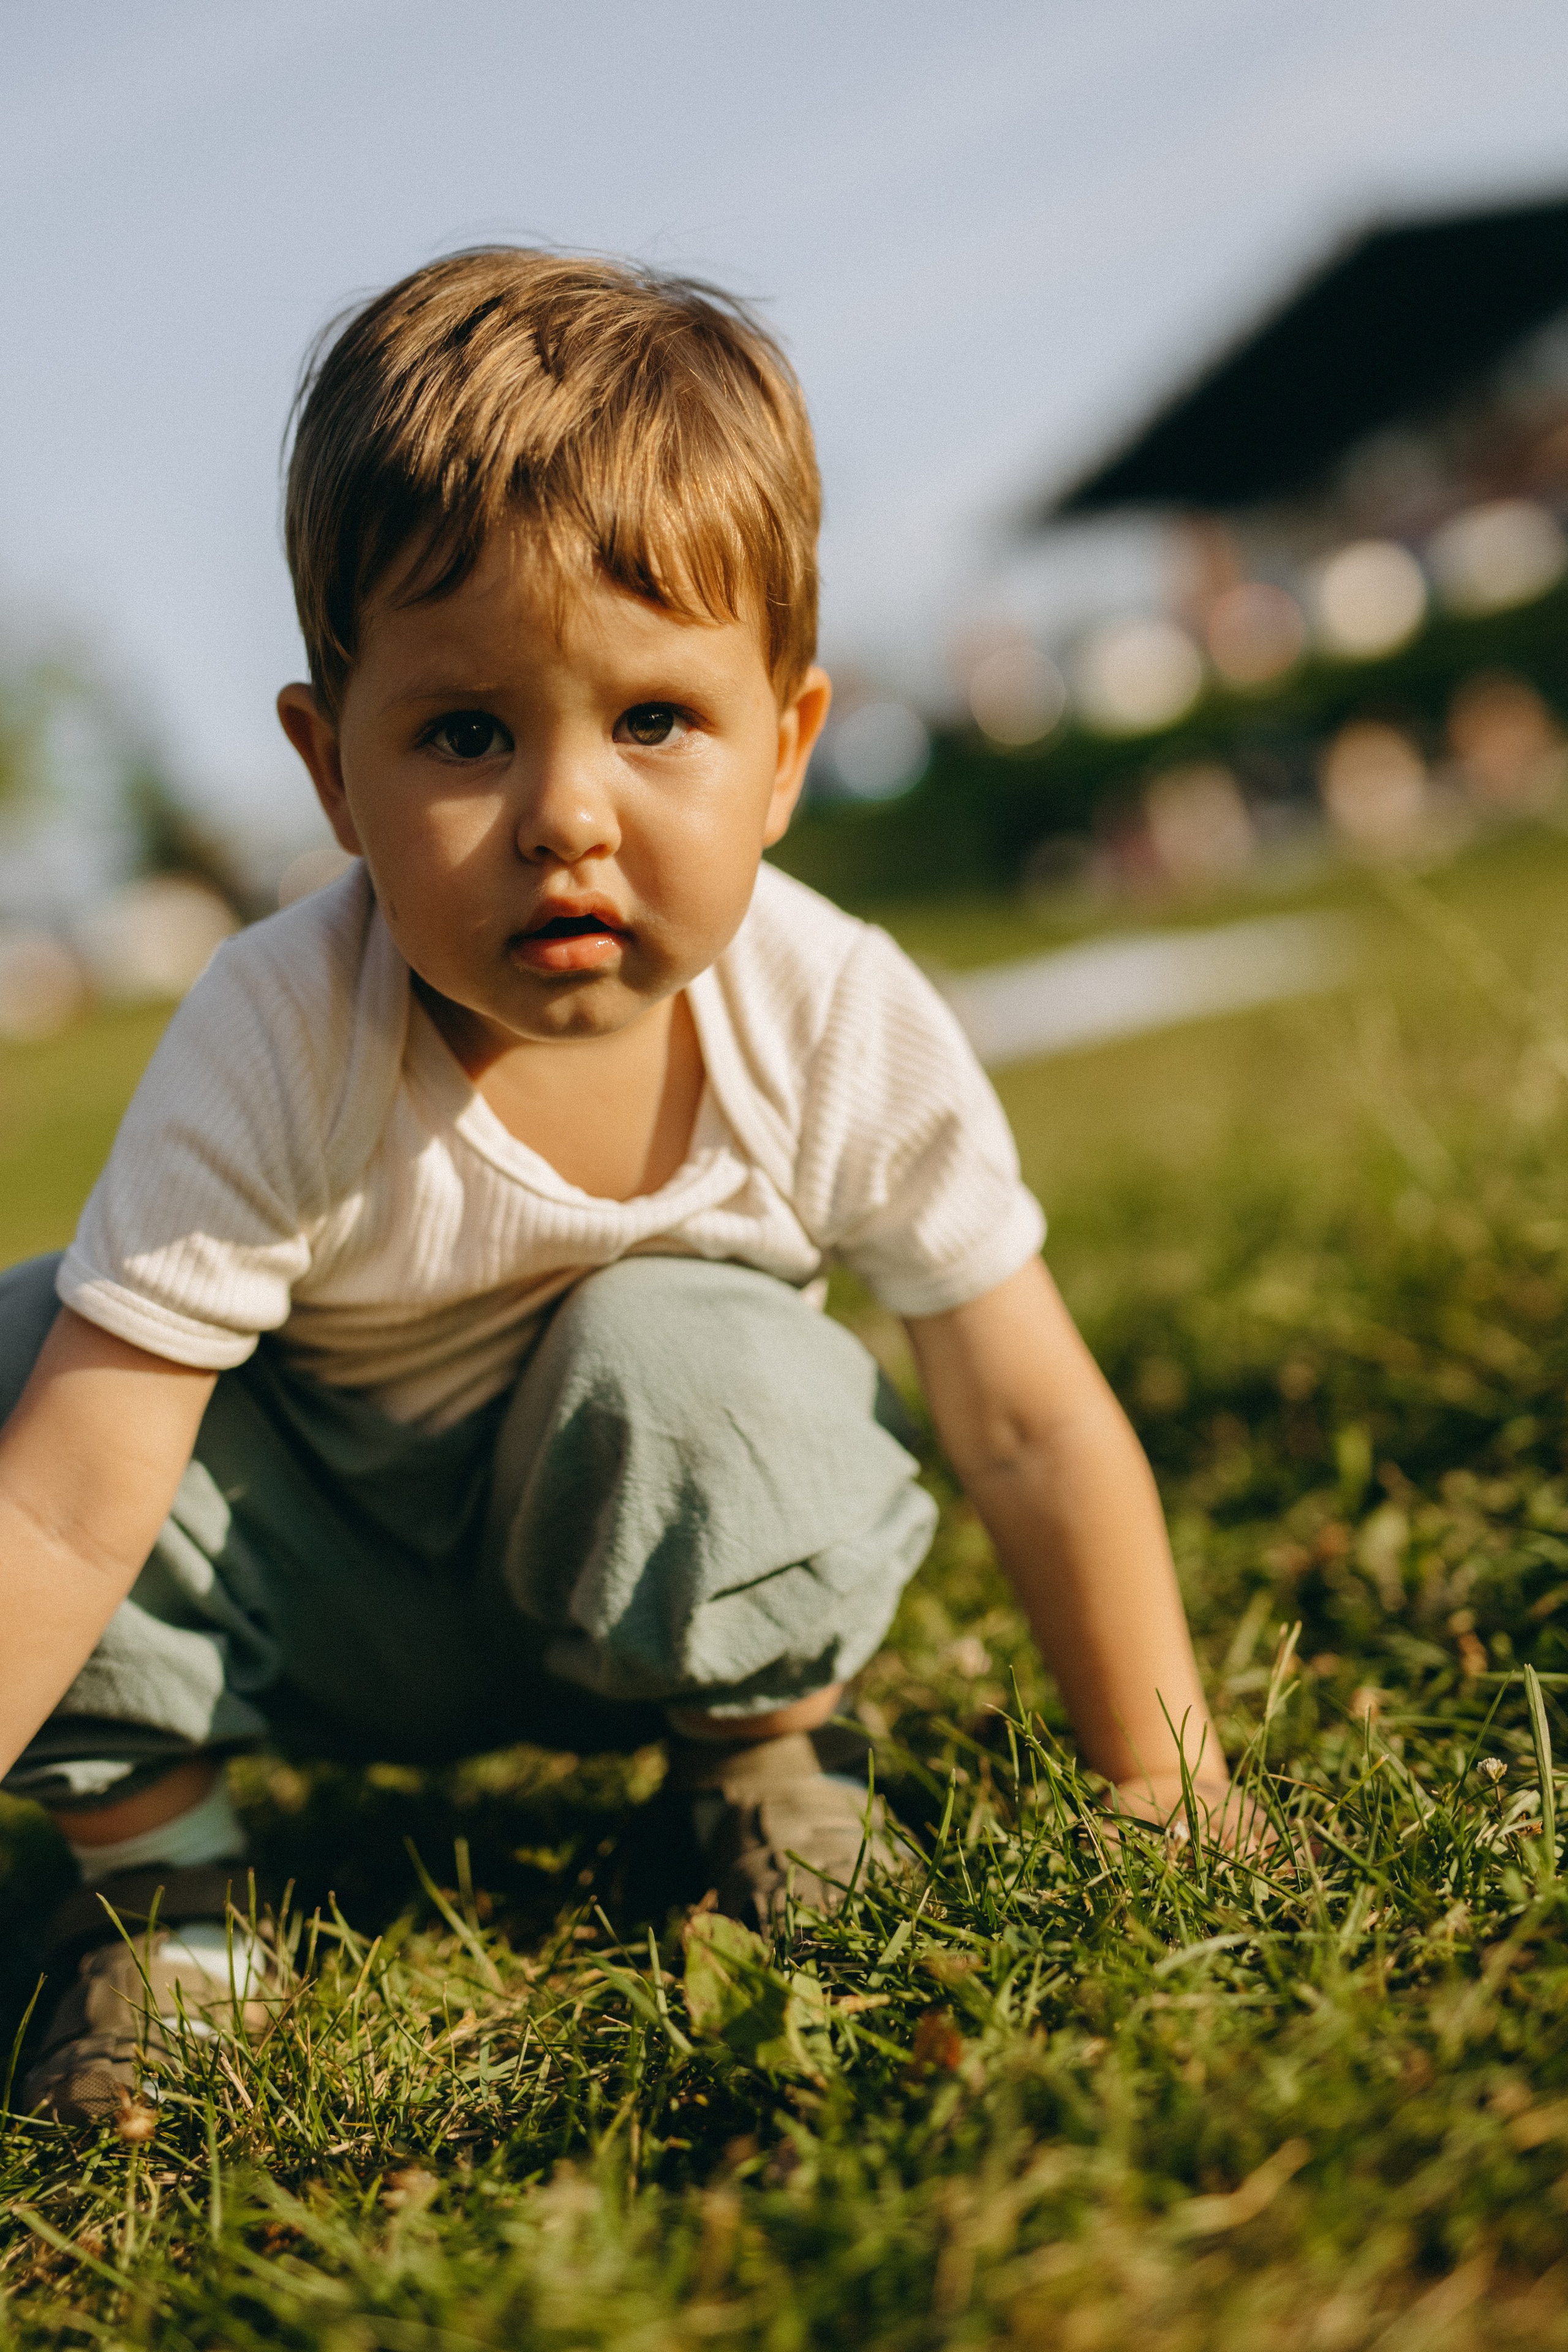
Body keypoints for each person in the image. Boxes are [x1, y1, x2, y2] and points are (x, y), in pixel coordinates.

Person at [0, 250, 1227, 2123]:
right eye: (466, 734)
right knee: (39, 1357)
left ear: (788, 750)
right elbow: (76, 1516)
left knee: (699, 1346)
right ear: (331, 773)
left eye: (654, 723)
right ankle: (168, 1899)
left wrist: (1165, 1779)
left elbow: (1033, 1421)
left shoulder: (829, 1019)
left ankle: (757, 1777)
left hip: (658, 1596)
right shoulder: (279, 1032)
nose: (566, 812)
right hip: (311, 1609)